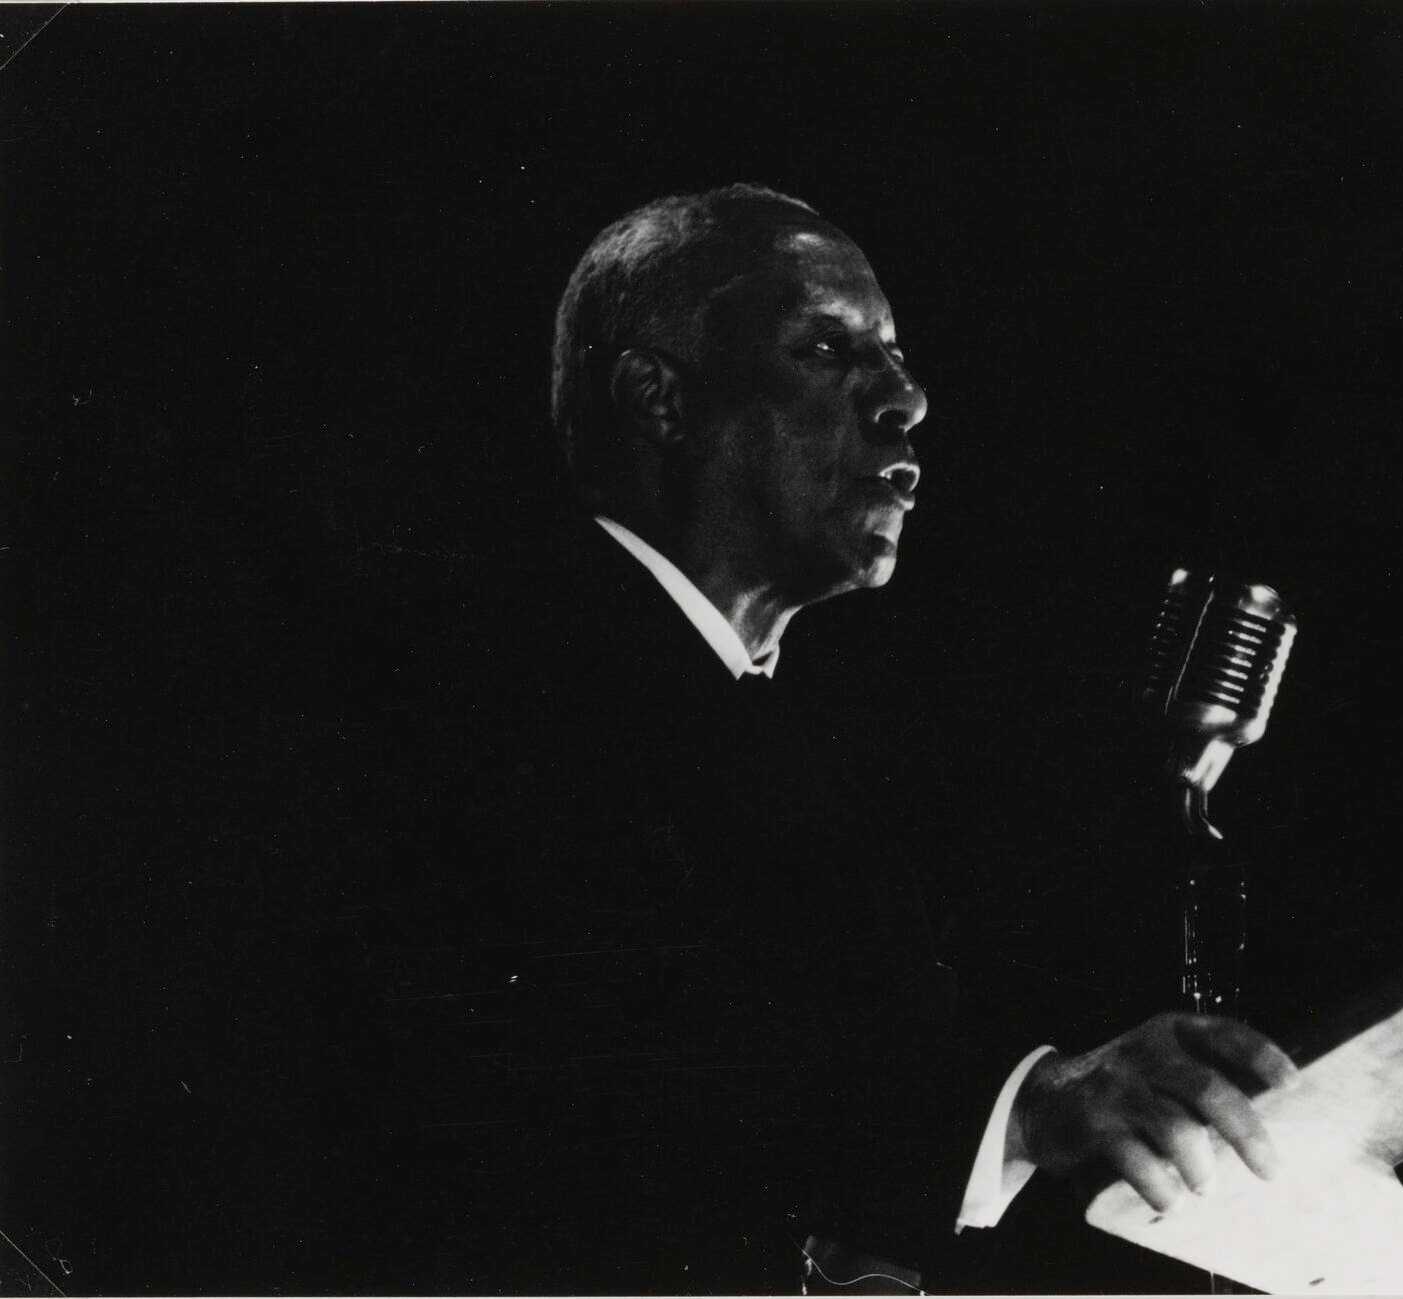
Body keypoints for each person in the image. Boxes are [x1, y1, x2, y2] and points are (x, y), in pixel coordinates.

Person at [301, 182, 1294, 1292]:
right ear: (657, 398)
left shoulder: (776, 735)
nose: (907, 400)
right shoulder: (491, 688)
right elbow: (610, 1077)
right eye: (827, 350)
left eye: (900, 359)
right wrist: (1033, 1105)